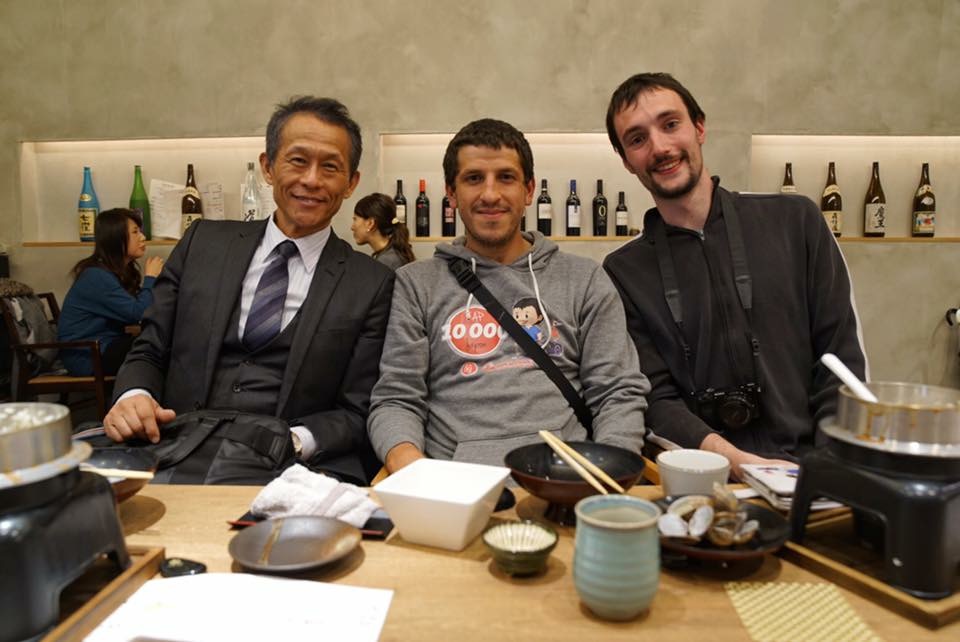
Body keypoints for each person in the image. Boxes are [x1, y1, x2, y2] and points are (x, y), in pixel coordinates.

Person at [102, 96, 395, 484]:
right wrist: (133, 395)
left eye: (330, 166)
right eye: (297, 160)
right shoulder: (202, 243)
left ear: (350, 183)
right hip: (174, 447)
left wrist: (294, 441)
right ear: (268, 167)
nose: (311, 179)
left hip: (290, 467)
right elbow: (150, 348)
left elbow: (358, 409)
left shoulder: (371, 282)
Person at [601, 72, 867, 478]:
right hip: (705, 479)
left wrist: (826, 468)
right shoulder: (623, 272)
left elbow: (841, 359)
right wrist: (737, 464)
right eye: (637, 139)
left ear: (699, 127)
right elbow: (654, 398)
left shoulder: (795, 221)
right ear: (625, 160)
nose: (660, 147)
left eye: (670, 124)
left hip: (816, 476)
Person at [368, 118, 649, 473]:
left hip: (568, 479)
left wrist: (606, 469)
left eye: (505, 177)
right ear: (451, 194)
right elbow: (396, 398)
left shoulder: (584, 279)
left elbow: (617, 392)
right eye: (474, 178)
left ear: (528, 190)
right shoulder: (416, 284)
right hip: (453, 484)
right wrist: (414, 468)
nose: (490, 194)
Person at [58, 208, 164, 376]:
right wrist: (151, 277)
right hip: (88, 356)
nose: (143, 237)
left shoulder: (114, 271)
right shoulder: (96, 276)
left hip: (104, 346)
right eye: (135, 232)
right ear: (115, 238)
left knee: (165, 343)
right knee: (163, 347)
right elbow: (138, 313)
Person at [350, 192, 416, 270]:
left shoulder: (386, 262)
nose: (352, 227)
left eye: (355, 219)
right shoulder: (393, 255)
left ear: (370, 223)